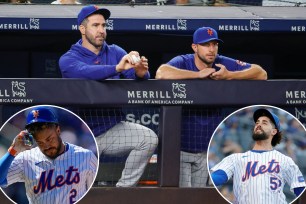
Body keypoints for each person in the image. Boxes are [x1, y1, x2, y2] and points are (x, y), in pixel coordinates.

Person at [155, 26, 267, 188]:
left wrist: (230, 75)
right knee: (183, 198)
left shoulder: (222, 63)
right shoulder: (184, 61)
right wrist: (197, 75)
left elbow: (261, 73)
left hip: (206, 150)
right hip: (181, 150)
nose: (211, 49)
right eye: (206, 45)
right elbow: (161, 73)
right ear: (195, 47)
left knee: (200, 198)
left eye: (214, 44)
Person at [59, 5, 158, 187]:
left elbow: (137, 77)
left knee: (148, 138)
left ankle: (123, 190)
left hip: (112, 129)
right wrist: (116, 68)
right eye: (95, 25)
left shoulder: (115, 52)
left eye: (104, 26)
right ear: (82, 28)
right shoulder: (69, 58)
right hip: (81, 135)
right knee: (70, 186)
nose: (101, 30)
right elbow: (84, 72)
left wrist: (141, 72)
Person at [0, 106, 97, 204]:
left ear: (58, 131)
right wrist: (13, 150)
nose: (46, 146)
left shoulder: (86, 156)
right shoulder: (25, 158)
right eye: (40, 142)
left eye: (49, 139)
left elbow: (95, 195)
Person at [211, 108, 306, 204]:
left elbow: (301, 189)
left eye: (264, 123)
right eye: (257, 123)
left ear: (274, 131)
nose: (258, 125)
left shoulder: (285, 160)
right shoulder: (235, 158)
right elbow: (215, 178)